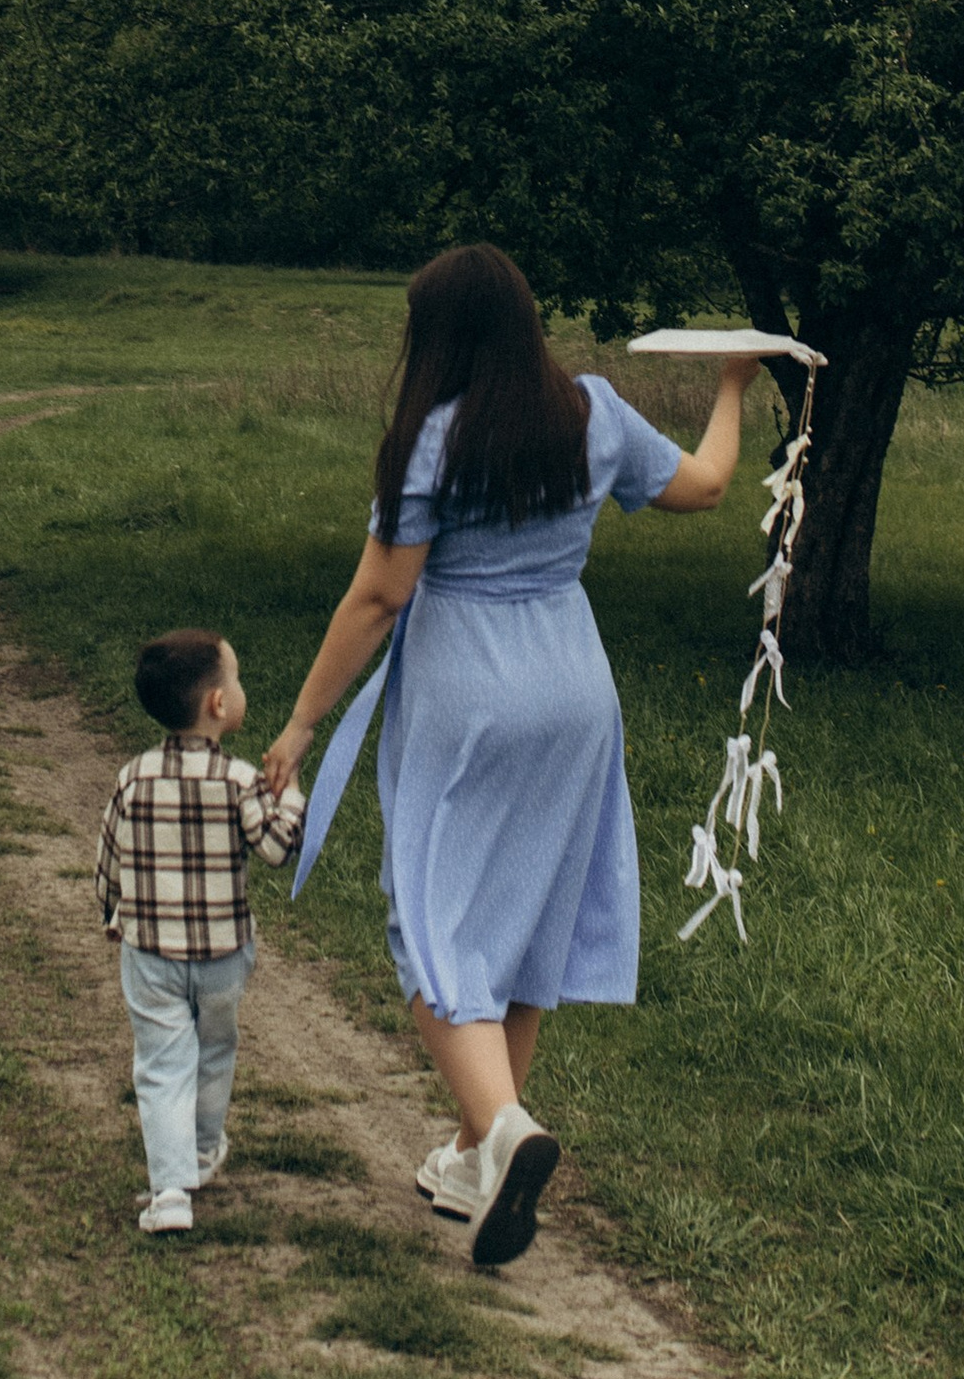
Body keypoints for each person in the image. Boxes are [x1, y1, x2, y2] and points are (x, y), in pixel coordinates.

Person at [262, 247, 757, 1269]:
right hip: (573, 685)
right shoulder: (593, 411)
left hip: (468, 691)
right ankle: (468, 1153)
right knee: (526, 907)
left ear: (435, 335)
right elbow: (706, 485)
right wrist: (731, 383)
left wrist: (304, 720)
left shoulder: (430, 442)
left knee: (434, 914)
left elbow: (379, 596)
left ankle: (505, 1130)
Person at [96, 627, 306, 1236]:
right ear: (218, 704)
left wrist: (113, 909)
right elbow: (273, 848)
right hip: (221, 951)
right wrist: (289, 798)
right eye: (235, 680)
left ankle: (169, 1191)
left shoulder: (133, 778)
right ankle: (203, 1149)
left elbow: (108, 855)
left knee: (162, 1062)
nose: (240, 689)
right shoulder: (239, 781)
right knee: (214, 1049)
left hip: (151, 951)